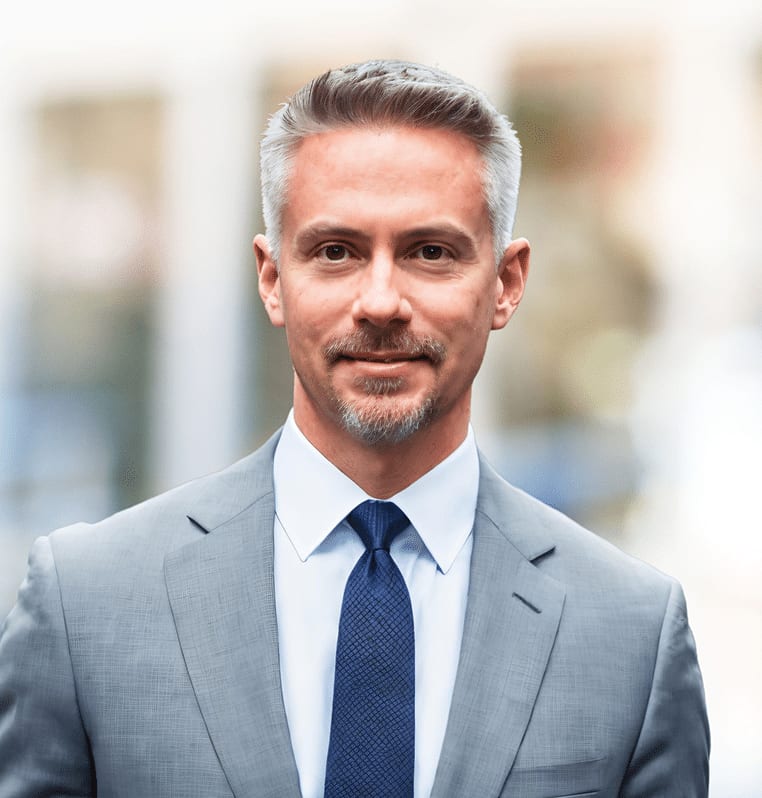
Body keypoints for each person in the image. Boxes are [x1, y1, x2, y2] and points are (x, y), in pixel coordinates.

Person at [0, 59, 709, 797]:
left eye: (429, 253)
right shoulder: (86, 607)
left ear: (506, 283)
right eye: (335, 252)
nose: (379, 301)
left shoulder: (632, 636)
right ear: (273, 279)